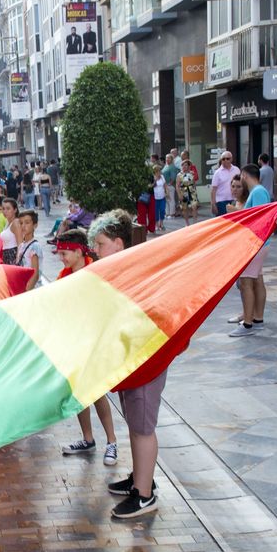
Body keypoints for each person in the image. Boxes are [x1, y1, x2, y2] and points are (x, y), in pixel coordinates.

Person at [88, 211, 167, 519]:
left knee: (143, 427)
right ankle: (139, 479)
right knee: (136, 423)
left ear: (118, 243)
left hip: (146, 359)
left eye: (101, 243)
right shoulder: (123, 268)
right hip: (133, 360)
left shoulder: (136, 271)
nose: (96, 249)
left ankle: (145, 495)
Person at [56, 229, 119, 464]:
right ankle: (88, 438)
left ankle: (112, 441)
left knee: (97, 392)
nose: (61, 259)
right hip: (73, 341)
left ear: (78, 251)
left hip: (94, 341)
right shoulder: (63, 276)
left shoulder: (96, 273)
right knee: (79, 393)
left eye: (64, 254)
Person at [228, 164, 271, 338]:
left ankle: (247, 324)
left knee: (246, 282)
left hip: (255, 243)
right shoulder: (258, 191)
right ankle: (257, 319)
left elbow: (259, 218)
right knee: (256, 280)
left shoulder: (258, 192)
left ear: (244, 175)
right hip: (258, 243)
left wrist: (236, 212)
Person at [15, 209, 42, 292]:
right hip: (22, 285)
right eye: (21, 223)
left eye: (27, 223)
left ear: (35, 225)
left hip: (31, 289)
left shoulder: (35, 246)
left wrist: (27, 290)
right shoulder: (21, 245)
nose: (23, 226)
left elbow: (35, 273)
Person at [210, 151, 240, 216]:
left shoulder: (236, 170)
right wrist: (213, 204)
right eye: (223, 159)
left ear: (231, 159)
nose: (225, 160)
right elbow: (213, 189)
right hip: (221, 202)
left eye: (227, 158)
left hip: (235, 200)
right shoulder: (217, 173)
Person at [177, 155, 200, 225]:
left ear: (189, 166)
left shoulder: (192, 173)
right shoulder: (179, 175)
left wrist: (195, 192)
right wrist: (179, 194)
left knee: (194, 206)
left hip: (192, 191)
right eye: (183, 165)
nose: (184, 167)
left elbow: (194, 183)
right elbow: (177, 185)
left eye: (186, 165)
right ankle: (187, 224)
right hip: (183, 192)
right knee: (185, 208)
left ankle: (195, 222)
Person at [0, 198, 19, 264]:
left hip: (13, 255)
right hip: (6, 254)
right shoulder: (7, 222)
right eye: (3, 209)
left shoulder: (16, 222)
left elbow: (20, 243)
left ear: (15, 210)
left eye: (8, 209)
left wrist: (17, 260)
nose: (5, 211)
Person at [162, 154, 180, 218]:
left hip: (170, 185)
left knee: (171, 199)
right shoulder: (166, 166)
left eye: (169, 158)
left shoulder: (172, 167)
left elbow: (173, 176)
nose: (167, 159)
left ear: (172, 159)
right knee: (166, 200)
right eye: (166, 158)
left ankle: (172, 214)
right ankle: (167, 213)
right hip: (164, 185)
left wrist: (170, 183)